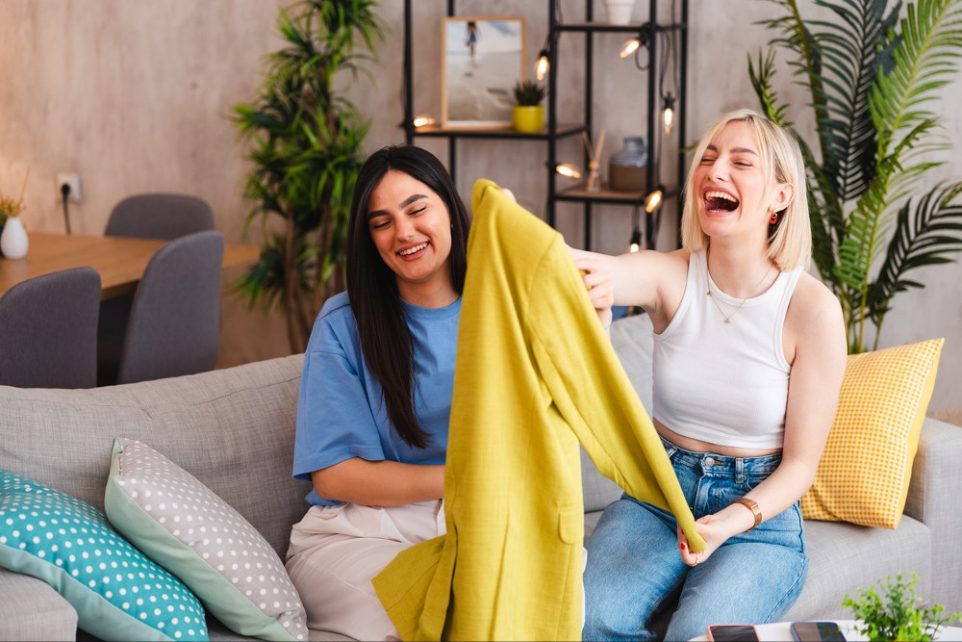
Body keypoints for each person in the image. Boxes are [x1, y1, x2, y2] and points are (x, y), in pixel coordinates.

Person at [572, 109, 847, 641]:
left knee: (699, 636)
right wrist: (576, 278)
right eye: (709, 159)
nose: (715, 172)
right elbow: (598, 271)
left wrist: (732, 520)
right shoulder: (670, 275)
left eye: (741, 162)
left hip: (758, 518)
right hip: (658, 493)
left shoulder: (812, 310)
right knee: (587, 617)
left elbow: (801, 466)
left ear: (780, 197)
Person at [285, 145, 471, 640]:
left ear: (450, 210)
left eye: (417, 209)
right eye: (382, 221)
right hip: (358, 532)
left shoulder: (501, 309)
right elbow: (335, 476)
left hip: (469, 522)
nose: (404, 233)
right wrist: (463, 479)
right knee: (444, 608)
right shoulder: (344, 324)